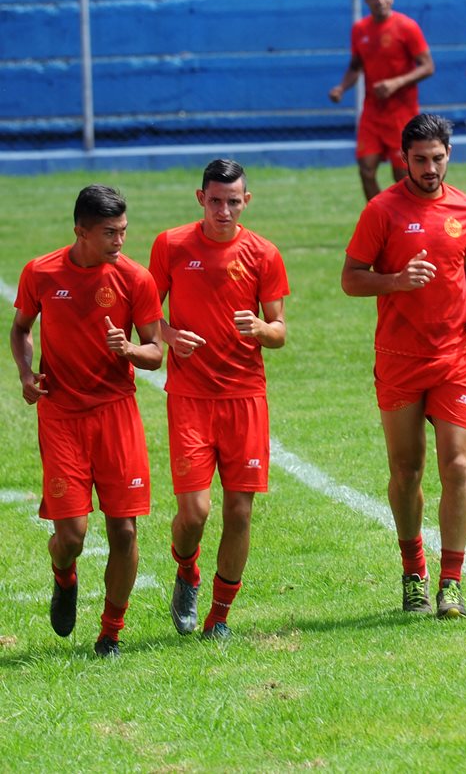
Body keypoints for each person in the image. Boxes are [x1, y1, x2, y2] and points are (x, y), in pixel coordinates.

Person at [342, 113, 466, 619]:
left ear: (450, 155)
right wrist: (396, 282)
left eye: (438, 158)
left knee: (458, 465)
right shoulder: (381, 211)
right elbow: (351, 278)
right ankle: (413, 572)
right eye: (421, 159)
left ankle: (451, 582)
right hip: (400, 359)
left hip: (455, 357)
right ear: (403, 159)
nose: (430, 168)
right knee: (406, 471)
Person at [10, 185, 163, 657]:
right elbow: (20, 329)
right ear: (80, 230)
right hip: (61, 416)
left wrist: (130, 349)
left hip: (116, 415)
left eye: (123, 231)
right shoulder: (40, 272)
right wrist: (26, 374)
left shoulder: (136, 279)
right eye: (109, 233)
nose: (120, 241)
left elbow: (156, 352)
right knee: (71, 536)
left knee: (125, 531)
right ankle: (64, 574)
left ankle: (111, 633)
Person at [150, 160, 289, 640]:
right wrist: (171, 336)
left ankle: (219, 618)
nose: (223, 210)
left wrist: (262, 328)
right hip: (190, 397)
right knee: (194, 513)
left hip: (245, 398)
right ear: (200, 199)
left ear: (245, 201)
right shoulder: (170, 245)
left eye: (233, 202)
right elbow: (145, 316)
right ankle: (186, 569)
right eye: (215, 201)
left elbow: (279, 331)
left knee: (239, 512)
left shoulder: (264, 253)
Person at [329, 0, 435, 201]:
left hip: (401, 113)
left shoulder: (406, 27)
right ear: (367, 0)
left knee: (402, 174)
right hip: (373, 113)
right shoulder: (360, 29)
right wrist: (342, 87)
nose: (381, 1)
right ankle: (380, 216)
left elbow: (428, 66)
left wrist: (396, 83)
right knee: (366, 169)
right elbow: (355, 66)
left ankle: (408, 216)